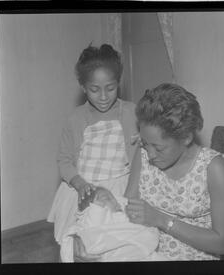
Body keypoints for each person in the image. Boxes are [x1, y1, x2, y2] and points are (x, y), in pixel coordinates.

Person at [124, 83, 224, 261]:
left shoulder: (214, 168)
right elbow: (128, 206)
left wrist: (161, 219)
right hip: (143, 249)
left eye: (159, 148)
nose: (150, 155)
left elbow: (223, 243)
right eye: (145, 143)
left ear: (186, 137)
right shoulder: (144, 152)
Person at [47, 44, 139, 248]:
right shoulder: (75, 118)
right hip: (83, 189)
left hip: (119, 189)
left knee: (116, 243)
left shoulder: (132, 113)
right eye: (95, 90)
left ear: (118, 83)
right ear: (83, 87)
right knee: (81, 246)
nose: (104, 96)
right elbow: (64, 160)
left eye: (111, 88)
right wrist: (79, 184)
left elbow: (141, 152)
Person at [60, 186, 166, 262]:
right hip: (109, 250)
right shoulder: (94, 214)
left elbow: (129, 227)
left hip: (131, 246)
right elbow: (92, 228)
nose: (114, 201)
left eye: (113, 198)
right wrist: (97, 208)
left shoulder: (119, 213)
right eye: (107, 198)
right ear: (92, 205)